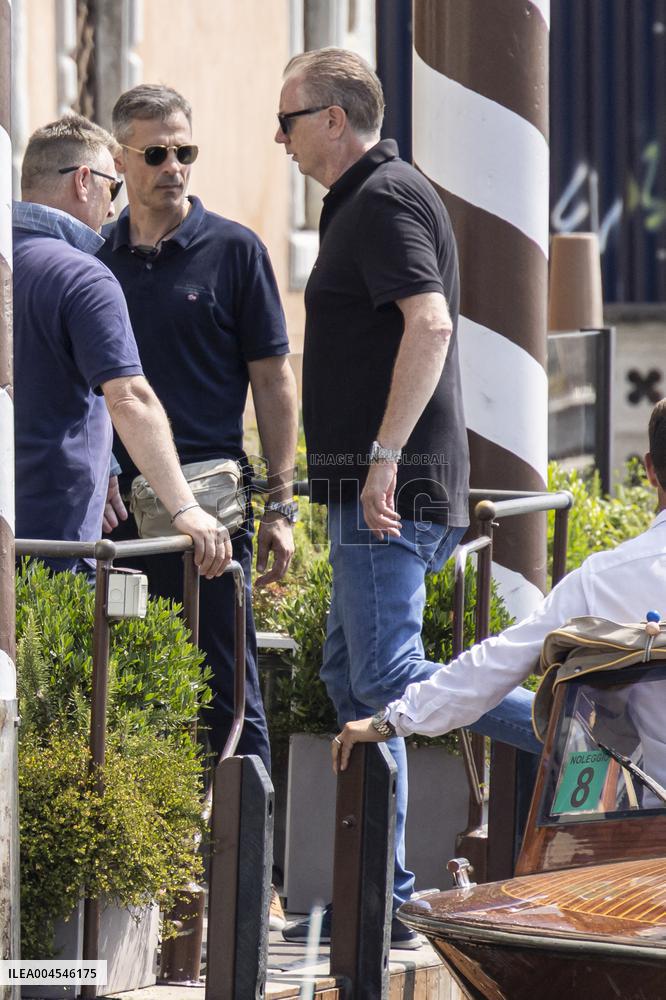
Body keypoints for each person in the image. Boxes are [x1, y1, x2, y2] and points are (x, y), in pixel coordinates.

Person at [275, 49, 470, 948]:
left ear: (334, 120)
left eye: (288, 121)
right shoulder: (364, 199)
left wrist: (385, 457)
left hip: (387, 489)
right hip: (370, 488)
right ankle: (384, 899)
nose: (278, 139)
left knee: (387, 681)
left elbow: (429, 321)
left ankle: (570, 717)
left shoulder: (385, 197)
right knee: (352, 683)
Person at [97, 85, 298, 924]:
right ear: (118, 161)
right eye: (156, 154)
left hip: (213, 512)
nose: (174, 168)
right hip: (112, 523)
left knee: (230, 692)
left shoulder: (236, 251)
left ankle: (249, 893)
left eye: (186, 152)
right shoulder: (92, 259)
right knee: (127, 690)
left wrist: (283, 502)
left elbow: (275, 380)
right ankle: (152, 883)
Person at [333, 399, 666, 777]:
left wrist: (390, 721)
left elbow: (498, 663)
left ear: (650, 470)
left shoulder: (604, 578)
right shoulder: (604, 576)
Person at [13, 114, 231, 580]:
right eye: (112, 189)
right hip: (52, 545)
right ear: (84, 181)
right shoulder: (84, 276)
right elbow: (129, 397)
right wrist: (185, 509)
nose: (113, 211)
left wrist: (106, 460)